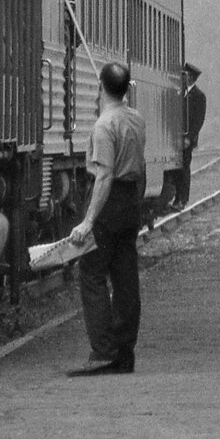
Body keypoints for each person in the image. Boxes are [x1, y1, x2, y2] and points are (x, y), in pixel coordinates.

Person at [69, 61, 147, 377]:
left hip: (109, 200)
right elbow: (139, 165)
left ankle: (103, 352)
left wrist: (88, 221)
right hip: (130, 200)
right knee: (125, 276)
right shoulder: (137, 119)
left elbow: (103, 176)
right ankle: (125, 352)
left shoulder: (104, 125)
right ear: (127, 88)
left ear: (100, 87)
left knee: (92, 274)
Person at [175, 64, 207, 208]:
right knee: (177, 167)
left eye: (186, 76)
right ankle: (177, 198)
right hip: (177, 136)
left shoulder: (199, 96)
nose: (183, 78)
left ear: (191, 78)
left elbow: (199, 120)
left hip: (188, 137)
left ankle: (183, 199)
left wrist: (189, 138)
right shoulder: (180, 93)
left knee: (184, 167)